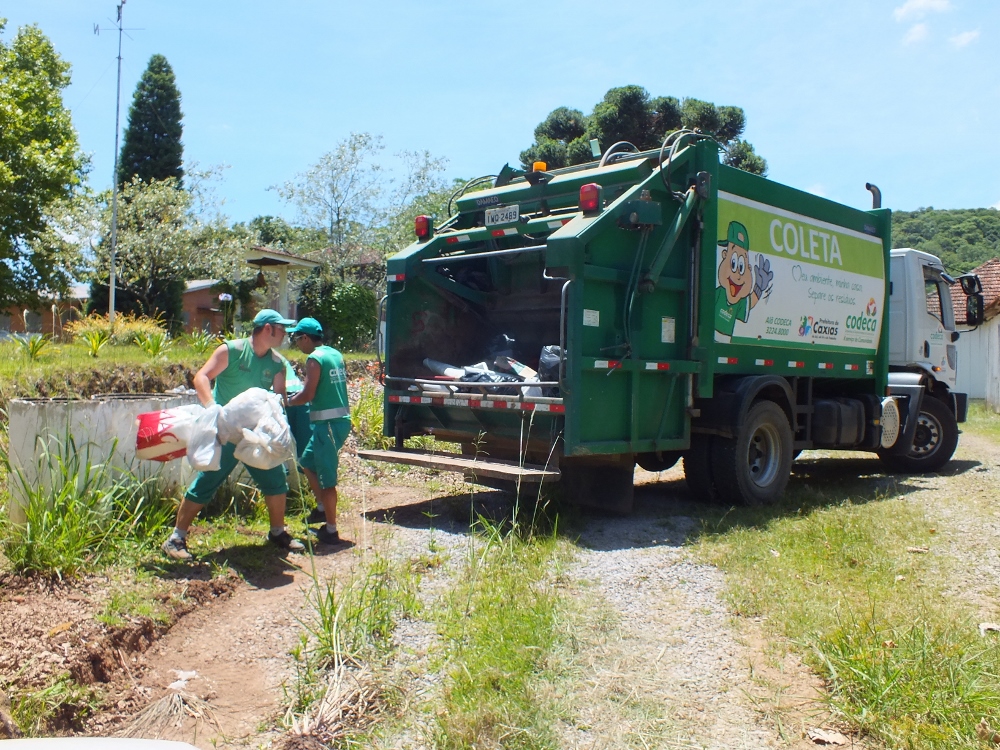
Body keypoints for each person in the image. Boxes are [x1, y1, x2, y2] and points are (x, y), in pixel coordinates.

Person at [161, 309, 306, 560]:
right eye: (281, 329)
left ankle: (277, 532)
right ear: (268, 329)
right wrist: (211, 408)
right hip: (224, 432)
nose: (285, 334)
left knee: (276, 480)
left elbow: (278, 397)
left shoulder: (276, 363)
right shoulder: (231, 350)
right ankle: (176, 538)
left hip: (255, 436)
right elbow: (202, 377)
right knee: (206, 482)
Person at [287, 317, 351, 545]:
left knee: (327, 480)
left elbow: (308, 395)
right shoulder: (334, 354)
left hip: (329, 426)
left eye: (297, 338)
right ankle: (322, 508)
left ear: (305, 337)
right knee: (307, 462)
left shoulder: (314, 359)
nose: (297, 343)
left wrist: (288, 402)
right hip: (336, 423)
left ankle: (331, 530)